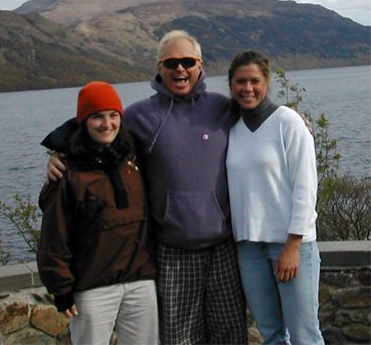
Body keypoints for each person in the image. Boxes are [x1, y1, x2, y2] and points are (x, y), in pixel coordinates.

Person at [43, 31, 248, 345]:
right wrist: (59, 153)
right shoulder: (139, 116)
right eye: (171, 63)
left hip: (222, 247)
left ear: (200, 65)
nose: (180, 70)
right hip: (171, 249)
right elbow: (99, 127)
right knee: (178, 339)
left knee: (229, 335)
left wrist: (294, 121)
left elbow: (260, 115)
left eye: (187, 62)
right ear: (159, 68)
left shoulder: (223, 107)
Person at [37, 81, 158, 345]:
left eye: (113, 115)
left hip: (141, 279)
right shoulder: (67, 172)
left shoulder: (133, 158)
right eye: (97, 117)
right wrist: (61, 288)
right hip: (91, 285)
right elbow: (54, 236)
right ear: (84, 121)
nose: (107, 124)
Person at [226, 50, 324, 345]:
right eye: (240, 81)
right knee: (271, 335)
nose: (248, 88)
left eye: (254, 81)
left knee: (304, 334)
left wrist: (293, 245)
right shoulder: (230, 128)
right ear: (231, 85)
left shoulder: (288, 122)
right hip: (248, 248)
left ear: (266, 83)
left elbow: (306, 186)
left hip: (291, 246)